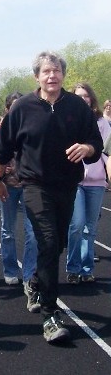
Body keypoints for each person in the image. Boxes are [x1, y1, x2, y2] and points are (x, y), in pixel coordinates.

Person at [0, 51, 103, 344]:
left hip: (67, 185)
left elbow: (96, 142)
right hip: (34, 185)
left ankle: (34, 281)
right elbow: (2, 148)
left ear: (63, 75)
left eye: (56, 71)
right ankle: (50, 315)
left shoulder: (77, 106)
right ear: (37, 77)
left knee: (58, 246)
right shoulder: (23, 108)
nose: (51, 76)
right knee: (49, 240)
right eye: (46, 71)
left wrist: (87, 149)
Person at [0, 92, 38, 302]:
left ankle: (29, 274)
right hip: (7, 186)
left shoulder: (32, 125)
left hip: (30, 185)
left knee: (32, 232)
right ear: (7, 109)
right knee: (8, 229)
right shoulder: (2, 128)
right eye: (13, 106)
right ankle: (10, 269)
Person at [66, 83, 111, 283]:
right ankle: (73, 266)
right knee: (76, 224)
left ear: (91, 99)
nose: (83, 99)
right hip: (74, 180)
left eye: (86, 96)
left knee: (90, 227)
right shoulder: (67, 118)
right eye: (79, 96)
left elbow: (105, 152)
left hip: (96, 181)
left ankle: (86, 268)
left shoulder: (101, 122)